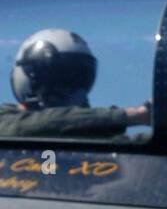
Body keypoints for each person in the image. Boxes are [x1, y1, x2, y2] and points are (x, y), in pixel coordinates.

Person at [0, 29, 149, 138]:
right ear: (30, 76)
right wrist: (132, 115)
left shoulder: (89, 131)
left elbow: (136, 146)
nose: (70, 88)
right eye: (58, 78)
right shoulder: (6, 119)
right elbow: (41, 124)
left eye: (78, 78)